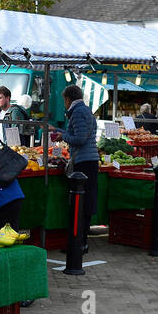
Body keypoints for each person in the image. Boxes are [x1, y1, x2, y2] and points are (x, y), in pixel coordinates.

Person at [62, 83, 99, 251]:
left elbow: (80, 139)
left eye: (65, 100)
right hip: (91, 160)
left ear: (68, 99)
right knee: (86, 201)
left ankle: (78, 242)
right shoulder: (87, 111)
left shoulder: (77, 113)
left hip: (83, 162)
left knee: (79, 203)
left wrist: (62, 135)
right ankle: (81, 241)